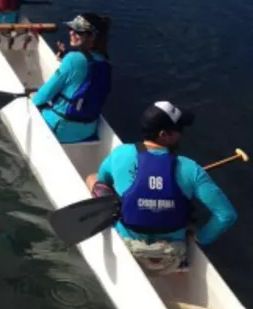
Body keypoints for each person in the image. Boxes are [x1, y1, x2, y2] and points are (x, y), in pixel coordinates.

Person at [85, 102, 237, 275]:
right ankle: (182, 266)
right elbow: (226, 215)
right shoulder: (190, 168)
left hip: (127, 248)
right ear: (163, 134)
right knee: (187, 214)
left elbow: (103, 180)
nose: (181, 134)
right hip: (170, 257)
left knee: (93, 178)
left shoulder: (120, 153)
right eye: (178, 129)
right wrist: (200, 238)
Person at [31, 13, 112, 143]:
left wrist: (32, 99)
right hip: (89, 130)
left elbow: (43, 95)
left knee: (33, 103)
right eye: (71, 29)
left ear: (92, 37)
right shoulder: (104, 62)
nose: (71, 33)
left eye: (78, 31)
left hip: (61, 127)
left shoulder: (72, 59)